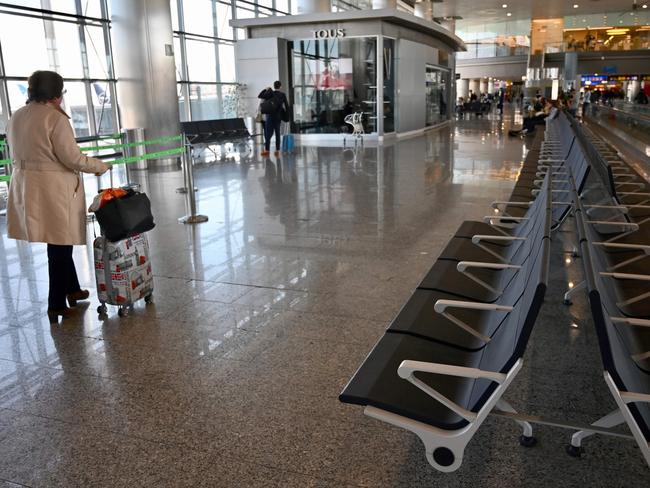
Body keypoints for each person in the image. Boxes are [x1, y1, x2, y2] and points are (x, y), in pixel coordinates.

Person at [5, 70, 110, 323]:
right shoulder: (55, 119)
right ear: (56, 95)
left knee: (59, 240)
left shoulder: (16, 116)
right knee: (59, 246)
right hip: (52, 188)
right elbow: (71, 158)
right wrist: (100, 166)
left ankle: (72, 289)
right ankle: (55, 303)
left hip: (25, 184)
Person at [258, 80, 290, 157]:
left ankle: (267, 151)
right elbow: (286, 106)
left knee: (267, 134)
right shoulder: (282, 95)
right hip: (278, 117)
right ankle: (277, 151)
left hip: (269, 116)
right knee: (277, 133)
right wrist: (286, 116)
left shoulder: (269, 93)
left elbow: (260, 95)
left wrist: (266, 89)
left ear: (274, 86)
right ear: (280, 86)